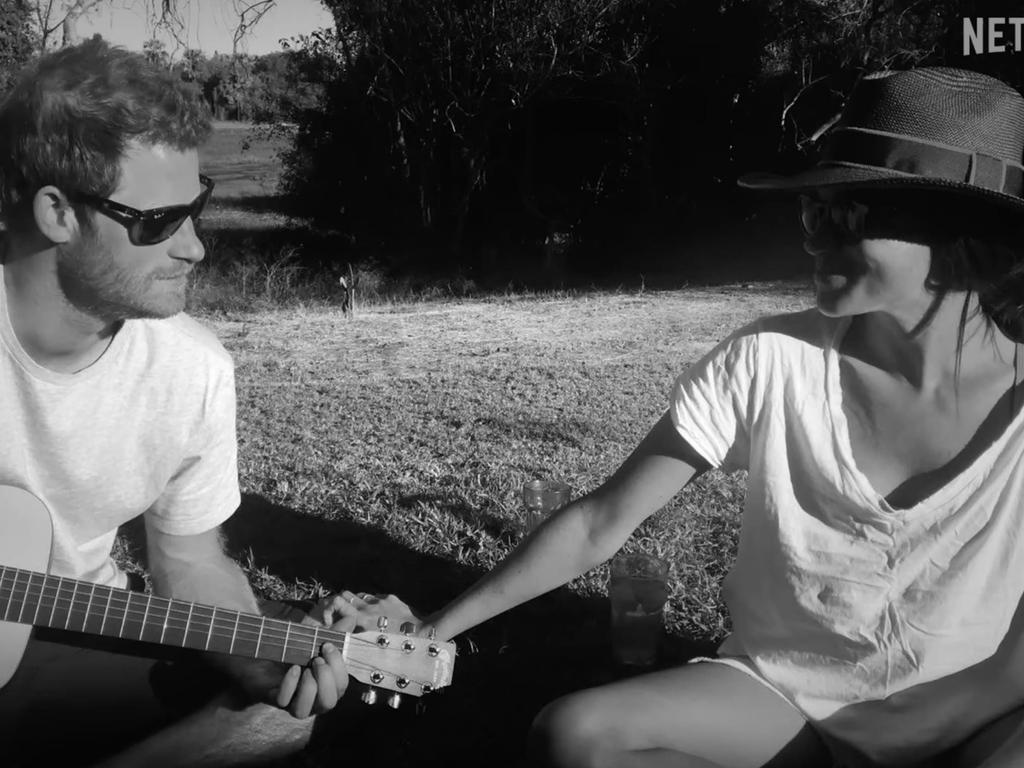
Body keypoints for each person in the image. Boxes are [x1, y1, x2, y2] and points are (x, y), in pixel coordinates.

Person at [328, 67, 1024, 767]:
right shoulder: (767, 360)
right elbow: (603, 521)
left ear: (963, 235)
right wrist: (434, 629)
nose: (813, 240)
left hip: (975, 719)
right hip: (789, 702)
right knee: (575, 739)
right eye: (813, 210)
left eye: (846, 216)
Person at [0, 39, 361, 767]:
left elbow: (188, 560)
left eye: (196, 210)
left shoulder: (192, 369)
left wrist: (255, 657)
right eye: (160, 221)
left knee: (274, 719)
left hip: (69, 628)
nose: (195, 249)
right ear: (58, 213)